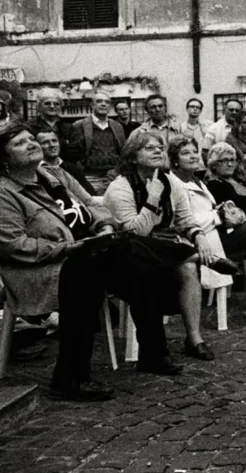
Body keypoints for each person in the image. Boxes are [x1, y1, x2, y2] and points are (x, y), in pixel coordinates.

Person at [0, 124, 183, 401]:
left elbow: (93, 204)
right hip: (42, 268)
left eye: (30, 139)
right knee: (94, 269)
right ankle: (69, 378)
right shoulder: (5, 193)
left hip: (89, 251)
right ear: (4, 158)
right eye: (19, 143)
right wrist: (67, 248)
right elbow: (13, 245)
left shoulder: (55, 175)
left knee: (138, 261)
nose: (31, 144)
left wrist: (105, 226)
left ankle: (153, 353)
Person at [104, 131, 240, 365]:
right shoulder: (120, 188)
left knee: (187, 267)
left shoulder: (171, 182)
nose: (158, 151)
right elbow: (136, 233)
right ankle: (198, 257)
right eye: (149, 148)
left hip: (168, 249)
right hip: (130, 256)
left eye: (160, 147)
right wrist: (152, 198)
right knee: (164, 253)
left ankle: (194, 338)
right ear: (133, 157)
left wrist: (199, 236)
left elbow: (185, 220)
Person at [169, 136, 246, 266]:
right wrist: (219, 216)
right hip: (201, 241)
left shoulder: (196, 181)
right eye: (186, 153)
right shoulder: (174, 184)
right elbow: (183, 222)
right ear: (175, 160)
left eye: (195, 152)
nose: (193, 156)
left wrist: (223, 208)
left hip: (216, 235)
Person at [67, 92, 125, 194]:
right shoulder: (80, 125)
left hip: (114, 175)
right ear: (92, 105)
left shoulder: (117, 126)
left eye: (107, 102)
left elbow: (123, 151)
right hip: (91, 176)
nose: (103, 104)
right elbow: (73, 155)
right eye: (99, 101)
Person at [205, 143, 246, 220]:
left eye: (232, 160)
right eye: (225, 161)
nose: (230, 164)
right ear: (214, 164)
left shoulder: (240, 179)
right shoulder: (214, 184)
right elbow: (239, 203)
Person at [37, 128, 97, 195]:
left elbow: (91, 193)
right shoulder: (35, 171)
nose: (52, 145)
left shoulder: (73, 169)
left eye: (54, 141)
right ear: (37, 146)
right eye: (45, 142)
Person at [29, 88, 74, 153]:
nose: (52, 106)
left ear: (60, 107)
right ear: (39, 107)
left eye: (56, 104)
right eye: (47, 103)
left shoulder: (70, 128)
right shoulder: (29, 127)